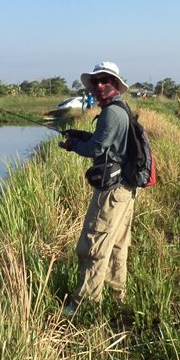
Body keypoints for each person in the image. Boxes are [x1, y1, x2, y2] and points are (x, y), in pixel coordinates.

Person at [58, 61, 136, 316]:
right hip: (124, 190)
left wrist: (73, 145)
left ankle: (85, 305)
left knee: (93, 244)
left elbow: (96, 149)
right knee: (116, 246)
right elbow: (105, 141)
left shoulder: (111, 112)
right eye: (96, 82)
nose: (100, 86)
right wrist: (81, 135)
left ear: (115, 84)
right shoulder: (119, 109)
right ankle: (117, 298)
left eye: (106, 81)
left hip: (111, 193)